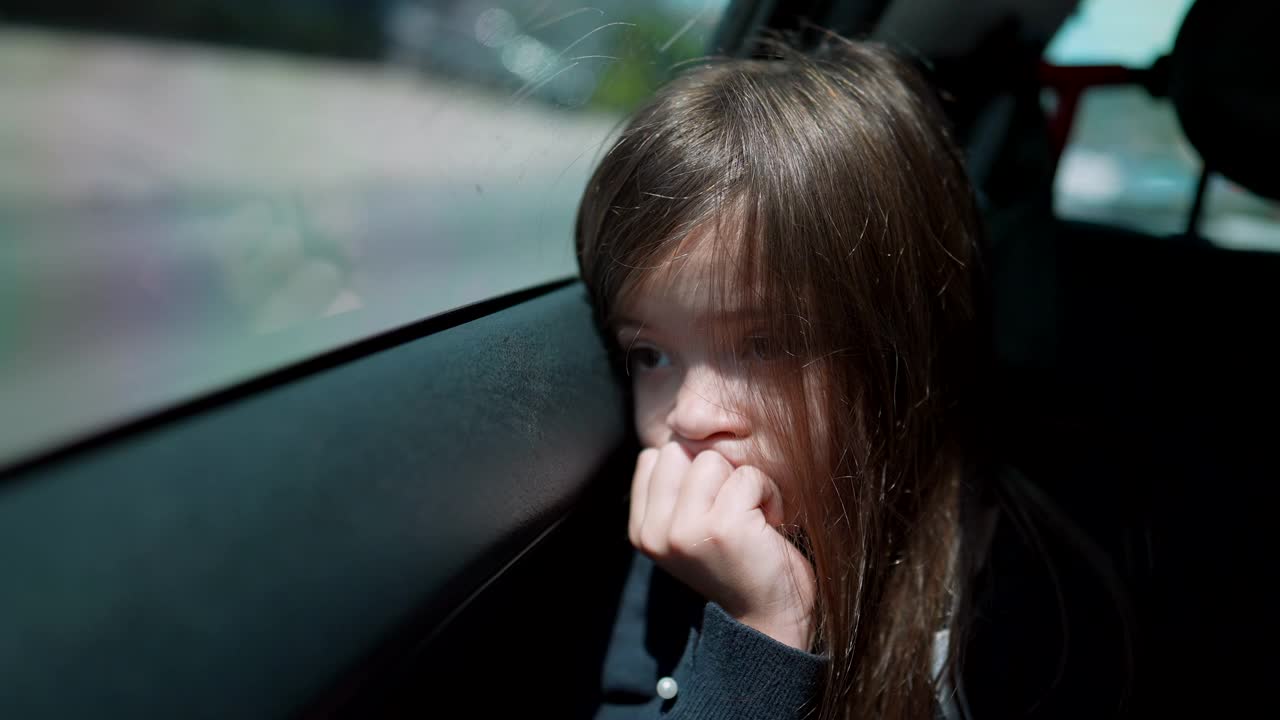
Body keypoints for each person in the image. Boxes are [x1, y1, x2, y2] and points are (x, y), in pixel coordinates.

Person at [574, 33, 994, 720]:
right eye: (650, 355)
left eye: (767, 342)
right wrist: (759, 634)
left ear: (898, 350)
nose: (691, 414)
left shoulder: (1018, 588)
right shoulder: (687, 558)